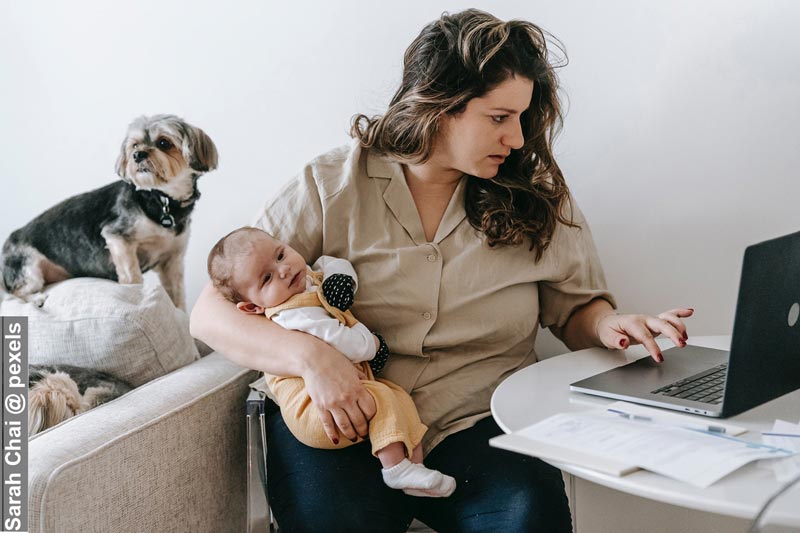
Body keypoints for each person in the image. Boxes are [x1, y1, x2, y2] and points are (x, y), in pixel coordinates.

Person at [191, 8, 692, 532]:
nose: (518, 139)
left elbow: (574, 310)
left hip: (479, 423)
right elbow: (210, 315)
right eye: (499, 118)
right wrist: (312, 356)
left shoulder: (536, 195)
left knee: (530, 518)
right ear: (439, 105)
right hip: (344, 420)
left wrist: (608, 326)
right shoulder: (330, 183)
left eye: (521, 117)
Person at [206, 226, 456, 497]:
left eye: (280, 255)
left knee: (399, 398)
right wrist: (373, 345)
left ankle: (414, 469)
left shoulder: (306, 279)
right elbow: (343, 342)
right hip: (315, 411)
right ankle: (394, 469)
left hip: (345, 392)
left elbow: (330, 263)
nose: (284, 270)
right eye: (267, 278)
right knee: (384, 399)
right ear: (253, 307)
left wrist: (341, 280)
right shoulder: (291, 314)